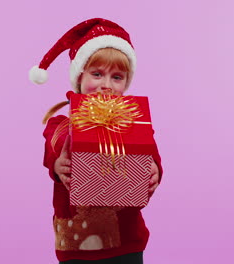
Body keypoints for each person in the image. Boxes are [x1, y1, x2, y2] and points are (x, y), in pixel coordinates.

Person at [29, 18, 163, 264]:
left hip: (127, 242)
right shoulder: (60, 124)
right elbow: (53, 148)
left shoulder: (135, 124)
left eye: (117, 77)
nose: (106, 86)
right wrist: (59, 165)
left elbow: (150, 153)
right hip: (76, 245)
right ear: (79, 77)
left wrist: (154, 169)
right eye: (97, 74)